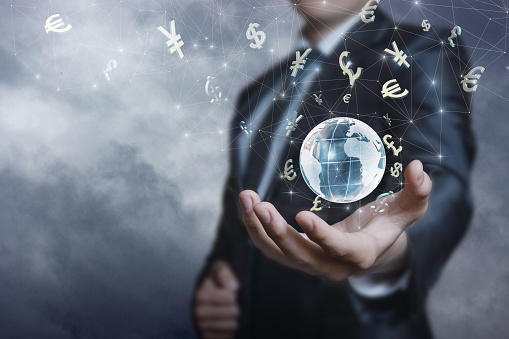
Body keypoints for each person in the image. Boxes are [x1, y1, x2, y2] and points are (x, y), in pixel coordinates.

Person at [193, 0, 475, 338]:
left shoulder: (419, 51)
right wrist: (218, 280)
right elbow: (239, 211)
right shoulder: (259, 93)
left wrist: (389, 247)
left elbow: (443, 178)